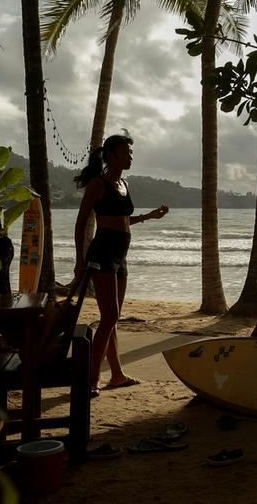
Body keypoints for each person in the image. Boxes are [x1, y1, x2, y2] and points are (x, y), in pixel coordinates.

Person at [73, 133, 169, 394]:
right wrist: (79, 261)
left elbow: (123, 221)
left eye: (131, 153)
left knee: (111, 319)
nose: (130, 157)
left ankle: (116, 375)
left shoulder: (124, 184)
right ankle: (91, 379)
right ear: (110, 155)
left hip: (120, 256)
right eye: (126, 152)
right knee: (110, 317)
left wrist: (149, 216)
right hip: (102, 254)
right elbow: (81, 223)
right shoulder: (98, 184)